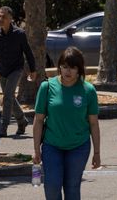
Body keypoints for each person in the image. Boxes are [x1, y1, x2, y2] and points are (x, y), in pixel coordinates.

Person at [33, 47, 100, 200]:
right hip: (52, 145)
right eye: (64, 67)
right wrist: (36, 149)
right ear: (59, 67)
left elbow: (94, 124)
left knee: (72, 188)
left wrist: (97, 153)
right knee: (52, 186)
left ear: (79, 69)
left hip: (79, 146)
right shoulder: (47, 87)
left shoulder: (88, 90)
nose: (67, 71)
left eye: (72, 67)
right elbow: (38, 120)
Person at [0, 6, 36, 137]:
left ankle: (3, 127)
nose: (1, 19)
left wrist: (33, 70)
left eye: (4, 17)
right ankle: (22, 121)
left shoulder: (19, 34)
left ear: (10, 18)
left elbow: (28, 53)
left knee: (7, 97)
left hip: (16, 69)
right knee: (10, 98)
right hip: (3, 70)